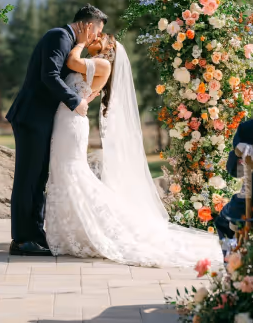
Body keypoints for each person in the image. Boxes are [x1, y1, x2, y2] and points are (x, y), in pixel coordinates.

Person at [45, 25, 223, 267]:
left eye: (99, 38)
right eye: (94, 35)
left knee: (72, 172)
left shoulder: (102, 65)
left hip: (72, 124)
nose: (94, 38)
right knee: (62, 172)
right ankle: (71, 230)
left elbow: (71, 61)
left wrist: (80, 40)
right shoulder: (94, 62)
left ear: (108, 49)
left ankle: (97, 227)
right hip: (65, 119)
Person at [6, 4, 107, 256]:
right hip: (31, 117)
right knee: (28, 178)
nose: (96, 37)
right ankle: (21, 240)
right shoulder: (58, 36)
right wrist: (76, 102)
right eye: (97, 31)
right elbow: (49, 75)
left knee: (39, 177)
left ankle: (35, 234)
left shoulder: (68, 42)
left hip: (43, 119)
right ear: (88, 25)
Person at [214, 119, 253, 249]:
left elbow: (234, 172)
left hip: (248, 205)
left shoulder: (247, 128)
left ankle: (232, 261)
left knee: (223, 219)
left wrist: (240, 154)